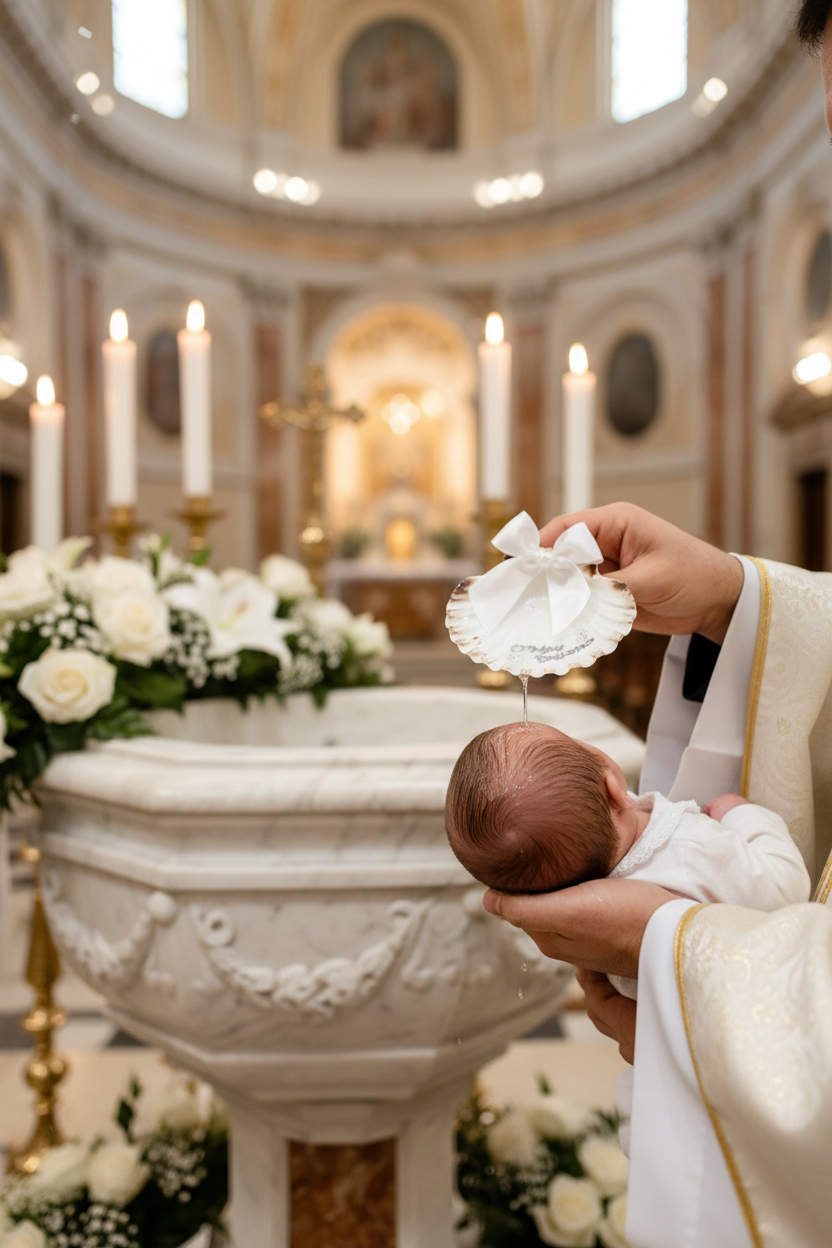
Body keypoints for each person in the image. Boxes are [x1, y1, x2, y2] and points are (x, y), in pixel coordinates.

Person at [479, 496, 832, 1245]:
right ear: (615, 782)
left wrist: (668, 954)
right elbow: (776, 888)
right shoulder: (687, 844)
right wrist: (731, 598)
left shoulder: (611, 872)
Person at [445, 720, 809, 1001]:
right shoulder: (692, 851)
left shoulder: (589, 908)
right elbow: (786, 890)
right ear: (615, 789)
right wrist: (741, 815)